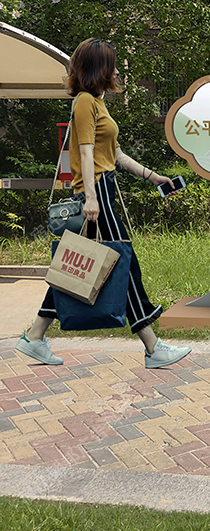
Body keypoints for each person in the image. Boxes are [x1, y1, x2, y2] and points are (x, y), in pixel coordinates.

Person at [16, 38, 191, 369]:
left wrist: (153, 177)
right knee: (122, 263)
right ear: (99, 68)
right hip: (95, 193)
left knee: (77, 266)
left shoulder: (97, 103)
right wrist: (92, 198)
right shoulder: (84, 102)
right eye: (111, 64)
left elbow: (116, 155)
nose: (115, 71)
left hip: (102, 189)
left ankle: (35, 336)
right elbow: (84, 153)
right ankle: (153, 347)